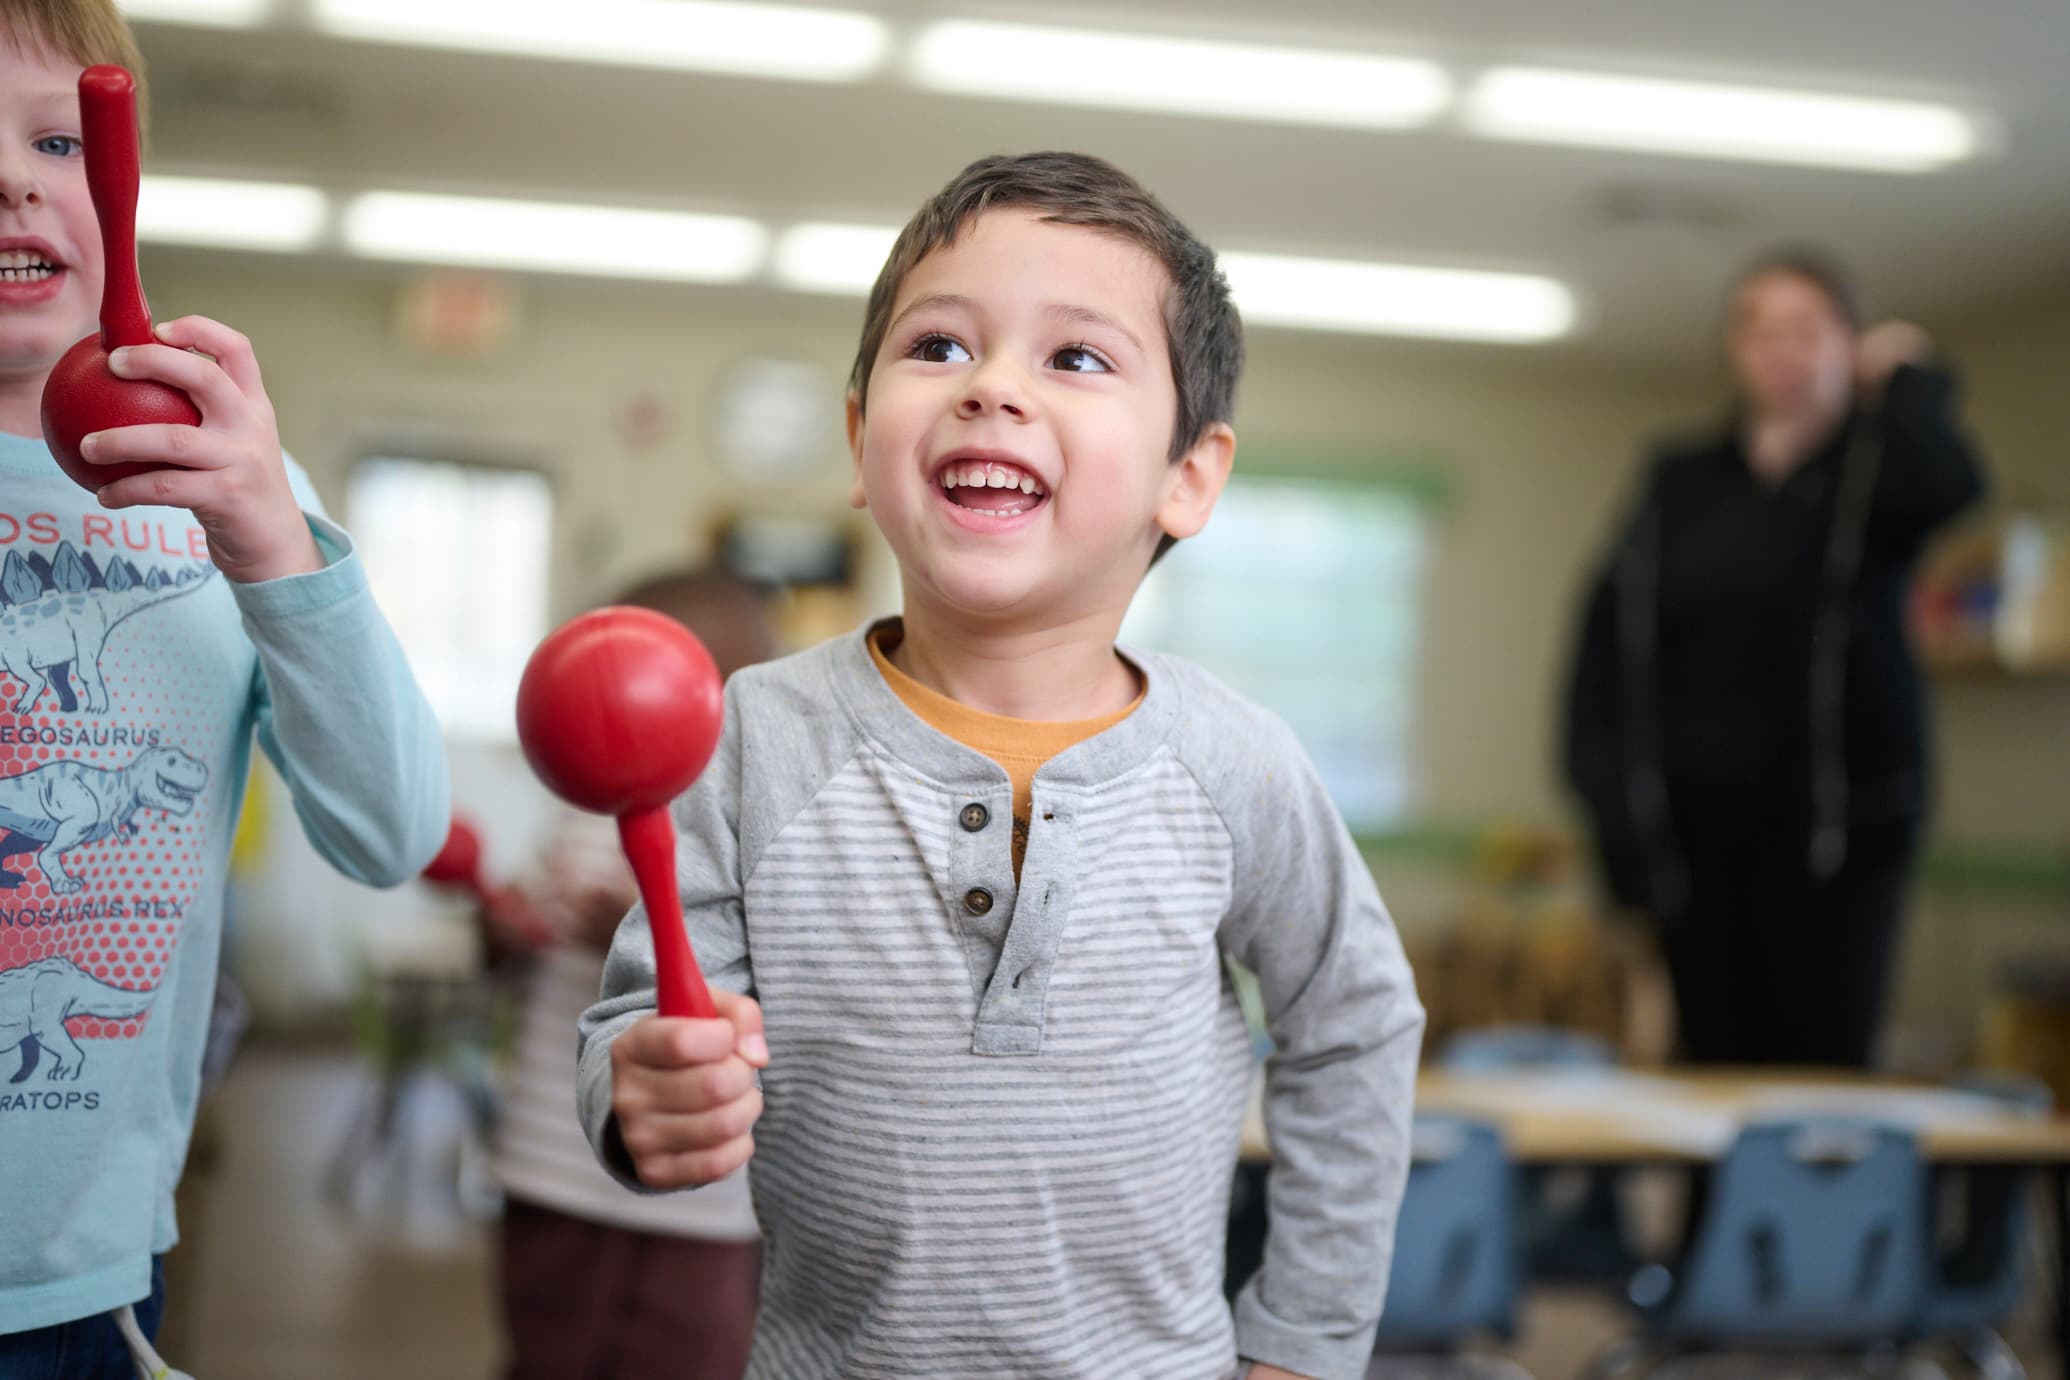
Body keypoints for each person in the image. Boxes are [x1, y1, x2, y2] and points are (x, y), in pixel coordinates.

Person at [576, 151, 1425, 1380]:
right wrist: (639, 1088)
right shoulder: (751, 737)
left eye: (1076, 357)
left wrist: (1302, 1340)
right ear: (863, 436)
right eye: (938, 348)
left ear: (1189, 476)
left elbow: (1354, 1025)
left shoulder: (1237, 763)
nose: (992, 389)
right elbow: (645, 1018)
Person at [0, 3, 448, 1374]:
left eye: (59, 141)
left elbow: (393, 831)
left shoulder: (241, 506)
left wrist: (273, 544)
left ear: (123, 185)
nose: (13, 179)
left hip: (75, 1279)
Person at [1562, 245, 1987, 1068]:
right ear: (1733, 347)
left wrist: (1908, 383)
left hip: (1839, 851)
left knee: (1821, 1074)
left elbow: (1954, 488)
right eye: (1758, 329)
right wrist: (1613, 815)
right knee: (1712, 1073)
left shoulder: (1875, 471)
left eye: (1806, 329)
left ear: (1847, 344)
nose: (1781, 350)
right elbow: (1604, 648)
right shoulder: (1678, 482)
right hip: (1694, 851)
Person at [489, 569, 771, 1380]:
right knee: (544, 1352)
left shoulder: (755, 832)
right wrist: (503, 929)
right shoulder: (577, 808)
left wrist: (634, 930)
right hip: (552, 1163)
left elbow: (770, 993)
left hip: (707, 1200)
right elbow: (512, 958)